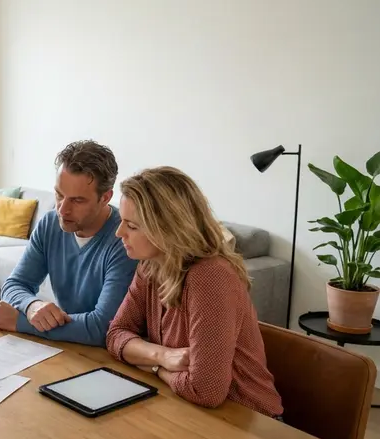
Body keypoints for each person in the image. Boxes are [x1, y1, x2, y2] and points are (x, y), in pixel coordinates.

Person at [106, 166, 283, 418]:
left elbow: (205, 391)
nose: (119, 233)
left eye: (132, 226)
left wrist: (154, 368)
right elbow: (115, 335)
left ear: (167, 228)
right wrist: (163, 356)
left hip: (248, 421)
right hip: (186, 409)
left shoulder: (211, 277)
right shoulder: (150, 266)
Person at [0, 140, 137, 346]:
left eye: (77, 201)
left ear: (105, 197)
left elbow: (103, 327)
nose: (62, 209)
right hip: (69, 344)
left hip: (110, 355)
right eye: (59, 195)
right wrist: (32, 305)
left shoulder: (125, 239)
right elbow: (15, 284)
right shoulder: (50, 224)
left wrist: (20, 321)